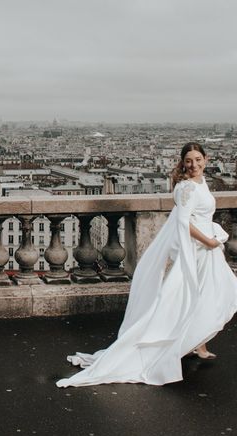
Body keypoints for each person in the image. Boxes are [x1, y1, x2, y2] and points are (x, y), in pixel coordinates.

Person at [57, 142, 237, 387]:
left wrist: (213, 237)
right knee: (189, 296)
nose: (193, 165)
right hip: (198, 248)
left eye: (197, 159)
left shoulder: (201, 183)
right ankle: (189, 343)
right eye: (189, 161)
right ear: (182, 163)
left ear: (206, 159)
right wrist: (209, 240)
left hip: (206, 248)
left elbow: (200, 217)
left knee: (204, 294)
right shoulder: (185, 188)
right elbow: (183, 223)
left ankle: (198, 343)